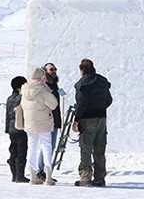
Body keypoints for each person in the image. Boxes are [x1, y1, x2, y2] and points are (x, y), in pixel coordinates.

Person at [72, 59, 113, 187]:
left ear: (81, 69)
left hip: (87, 119)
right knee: (100, 149)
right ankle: (100, 178)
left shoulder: (82, 84)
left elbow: (81, 104)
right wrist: (100, 108)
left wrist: (76, 120)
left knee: (86, 148)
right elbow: (109, 100)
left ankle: (85, 177)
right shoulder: (103, 81)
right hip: (101, 118)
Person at [21, 67, 58, 185]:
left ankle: (33, 175)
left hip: (29, 123)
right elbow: (53, 104)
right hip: (43, 123)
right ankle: (48, 176)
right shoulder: (42, 90)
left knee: (31, 147)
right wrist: (49, 90)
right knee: (46, 147)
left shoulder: (25, 90)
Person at [36, 62, 62, 182]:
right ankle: (40, 171)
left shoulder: (54, 85)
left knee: (50, 146)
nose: (54, 71)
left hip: (54, 119)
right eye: (51, 69)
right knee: (47, 146)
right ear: (45, 71)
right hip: (47, 120)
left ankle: (45, 170)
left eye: (55, 69)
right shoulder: (44, 86)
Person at [5, 76, 29, 183]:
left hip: (11, 129)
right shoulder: (22, 98)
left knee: (13, 150)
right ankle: (20, 175)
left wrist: (7, 129)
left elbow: (7, 115)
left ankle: (14, 174)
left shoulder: (9, 98)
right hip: (20, 128)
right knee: (21, 152)